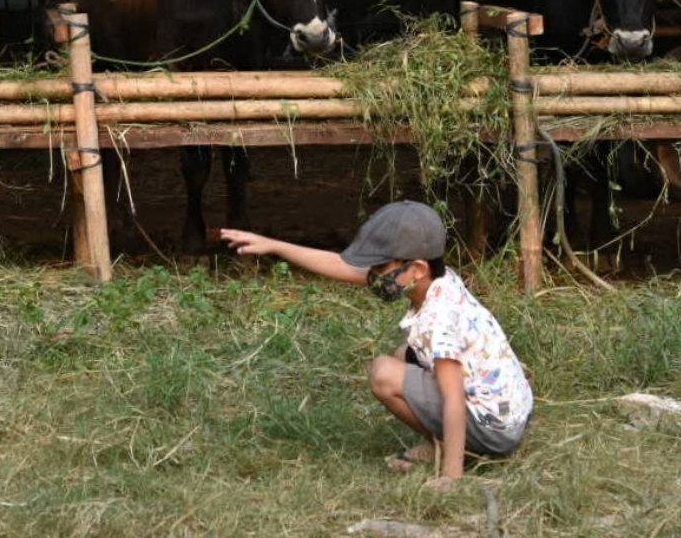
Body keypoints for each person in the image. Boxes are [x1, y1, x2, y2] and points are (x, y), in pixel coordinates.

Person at [220, 200, 532, 490]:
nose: (373, 276)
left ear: (417, 268)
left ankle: (450, 451)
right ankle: (448, 443)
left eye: (381, 268)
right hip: (507, 411)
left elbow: (452, 399)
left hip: (495, 430)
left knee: (384, 372)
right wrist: (275, 245)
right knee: (403, 356)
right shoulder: (438, 280)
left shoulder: (441, 319)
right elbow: (344, 268)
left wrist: (451, 477)